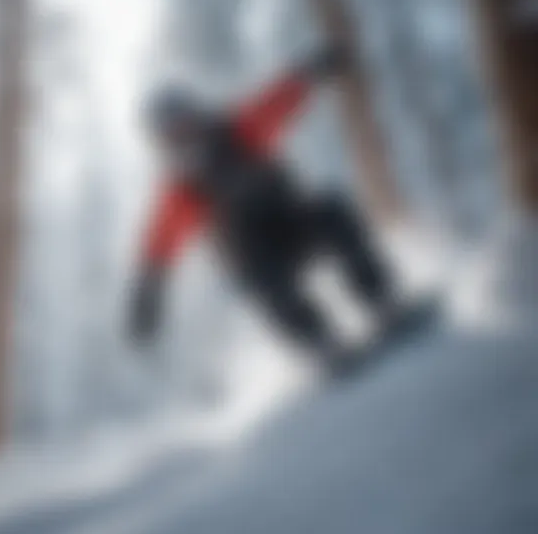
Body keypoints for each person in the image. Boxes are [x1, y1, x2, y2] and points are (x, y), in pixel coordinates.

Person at [129, 46, 398, 375]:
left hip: (294, 225)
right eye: (172, 136)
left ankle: (383, 301)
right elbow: (160, 245)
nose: (184, 138)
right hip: (261, 260)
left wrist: (312, 69)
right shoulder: (183, 190)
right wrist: (149, 293)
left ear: (197, 115)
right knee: (253, 274)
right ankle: (321, 342)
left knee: (332, 209)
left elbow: (277, 100)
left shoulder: (239, 132)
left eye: (184, 124)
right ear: (162, 144)